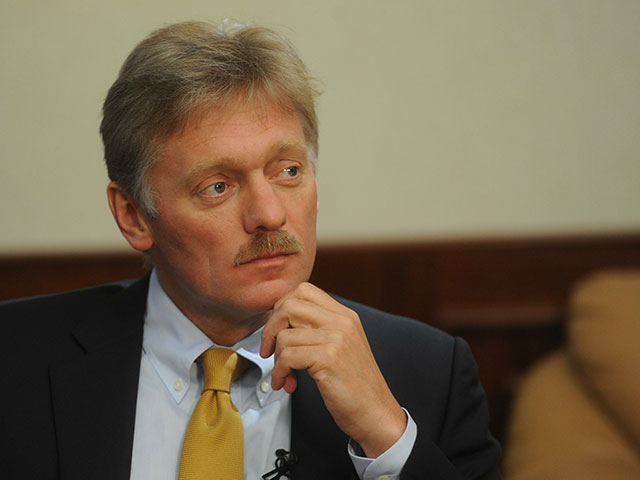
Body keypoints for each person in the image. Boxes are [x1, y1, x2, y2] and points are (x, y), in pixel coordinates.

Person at [0, 20, 501, 480]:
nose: (270, 214)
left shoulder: (428, 373)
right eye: (218, 186)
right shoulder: (15, 359)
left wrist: (388, 440)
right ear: (133, 215)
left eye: (288, 171)